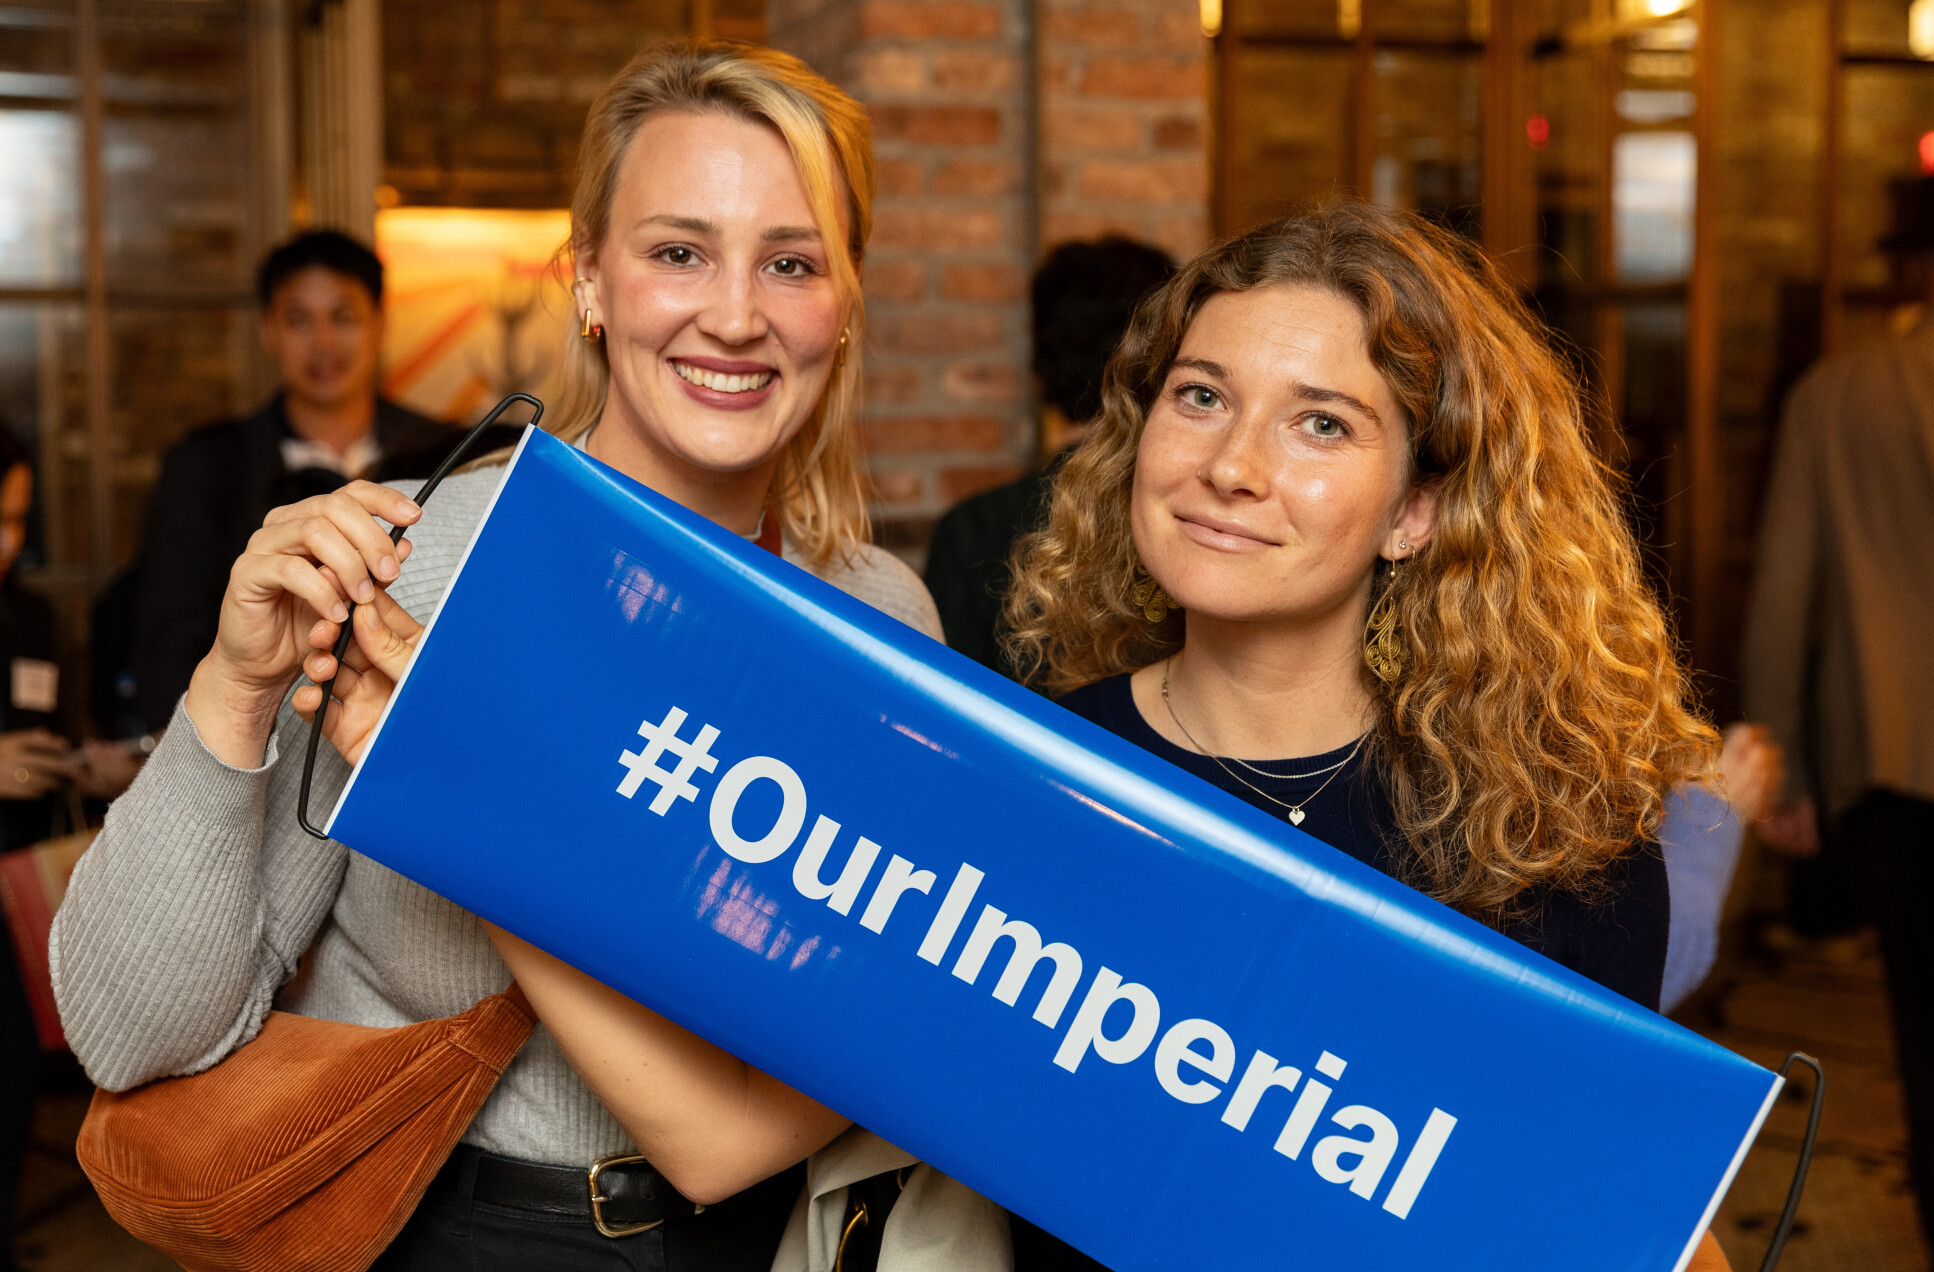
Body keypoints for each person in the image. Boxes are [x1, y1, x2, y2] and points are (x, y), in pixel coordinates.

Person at [54, 43, 1006, 1272]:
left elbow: (861, 1029)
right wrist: (231, 692)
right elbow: (133, 1035)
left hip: (760, 1240)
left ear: (847, 299)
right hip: (444, 1229)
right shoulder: (411, 562)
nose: (735, 314)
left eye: (790, 262)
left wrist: (469, 788)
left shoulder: (883, 619)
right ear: (588, 277)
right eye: (678, 252)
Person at [1005, 202, 1731, 1270]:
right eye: (1201, 396)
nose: (1232, 466)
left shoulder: (1554, 838)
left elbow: (1607, 1212)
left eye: (1321, 425)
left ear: (1414, 512)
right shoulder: (1020, 783)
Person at [1742, 173, 1934, 1247]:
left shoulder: (1838, 394)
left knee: (1922, 1041)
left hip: (1891, 764)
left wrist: (1783, 768)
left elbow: (1783, 596)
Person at [133, 230, 455, 731]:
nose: (323, 342)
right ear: (268, 331)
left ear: (381, 324)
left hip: (411, 726)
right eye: (299, 320)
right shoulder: (206, 466)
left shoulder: (449, 453)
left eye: (343, 317)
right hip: (252, 736)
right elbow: (168, 641)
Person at [923, 238, 1173, 676]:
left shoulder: (971, 531)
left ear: (1041, 365)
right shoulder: (1185, 515)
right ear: (1162, 363)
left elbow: (947, 698)